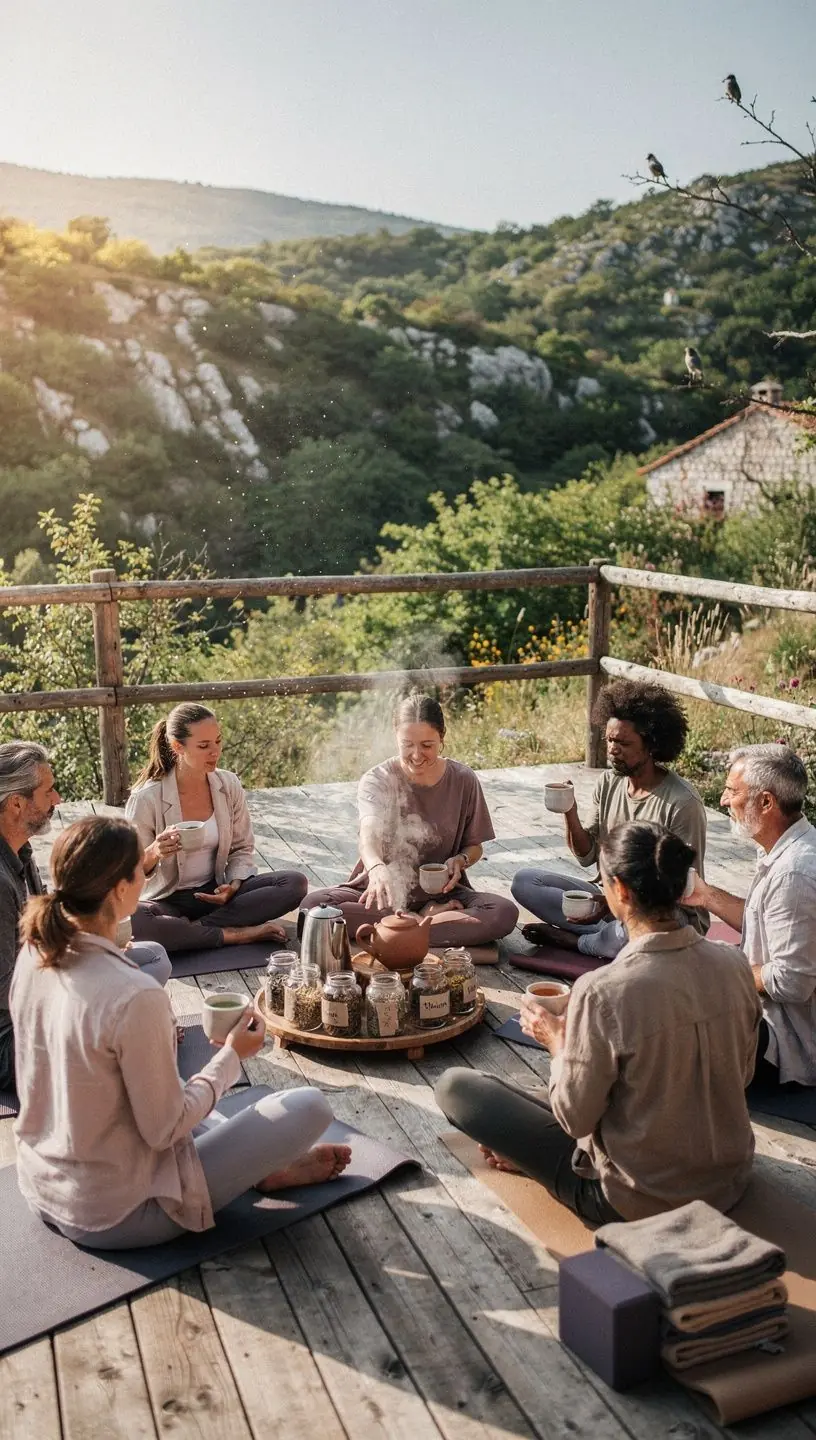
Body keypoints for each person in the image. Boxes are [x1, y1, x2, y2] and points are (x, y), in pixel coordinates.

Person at [11, 815, 351, 1249]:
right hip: (118, 1213)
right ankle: (262, 1170)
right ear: (119, 890)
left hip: (41, 1186)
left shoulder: (35, 951)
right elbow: (166, 1129)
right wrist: (231, 1056)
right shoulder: (133, 995)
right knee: (310, 1106)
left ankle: (264, 1168)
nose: (145, 876)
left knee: (167, 1084)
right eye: (140, 870)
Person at [437, 822, 760, 1223]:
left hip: (637, 1196)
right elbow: (743, 1075)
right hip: (728, 1178)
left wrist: (557, 1042)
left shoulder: (602, 989)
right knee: (539, 1093)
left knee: (457, 1087)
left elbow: (575, 1118)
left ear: (620, 890)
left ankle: (537, 1160)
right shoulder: (735, 964)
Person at [0, 741, 170, 1093]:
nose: (57, 798)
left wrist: (99, 955)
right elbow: (7, 990)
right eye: (48, 791)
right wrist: (86, 979)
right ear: (16, 803)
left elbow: (46, 930)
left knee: (154, 958)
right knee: (132, 1009)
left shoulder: (20, 852)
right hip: (13, 1035)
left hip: (43, 987)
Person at [300, 693, 518, 948]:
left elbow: (474, 846)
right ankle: (423, 923)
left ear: (442, 738)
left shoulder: (463, 779)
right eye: (407, 745)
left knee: (503, 913)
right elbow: (368, 835)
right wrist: (376, 868)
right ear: (396, 738)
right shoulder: (378, 779)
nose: (416, 755)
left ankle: (397, 930)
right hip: (381, 895)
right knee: (313, 908)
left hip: (443, 894)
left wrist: (461, 859)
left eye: (427, 745)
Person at [512, 679, 707, 958]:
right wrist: (570, 811)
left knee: (635, 929)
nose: (613, 749)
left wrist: (621, 902)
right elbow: (587, 855)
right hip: (611, 899)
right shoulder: (609, 782)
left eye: (624, 743)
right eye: (610, 740)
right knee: (524, 882)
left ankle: (577, 942)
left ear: (652, 745)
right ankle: (603, 937)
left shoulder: (682, 803)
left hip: (665, 912)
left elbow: (685, 886)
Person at [126, 704, 308, 954]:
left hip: (216, 895)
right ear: (178, 747)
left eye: (218, 742)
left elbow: (241, 848)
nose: (215, 752)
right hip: (166, 901)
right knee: (136, 920)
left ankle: (191, 932)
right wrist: (155, 851)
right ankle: (235, 934)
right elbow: (128, 871)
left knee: (294, 883)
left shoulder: (228, 784)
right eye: (204, 746)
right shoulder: (146, 797)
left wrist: (233, 884)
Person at [687, 744, 816, 1088]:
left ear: (766, 802)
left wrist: (725, 968)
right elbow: (767, 924)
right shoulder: (788, 848)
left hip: (788, 1040)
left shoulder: (794, 872)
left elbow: (792, 982)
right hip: (765, 1011)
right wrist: (705, 896)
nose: (724, 801)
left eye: (732, 791)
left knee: (673, 1016)